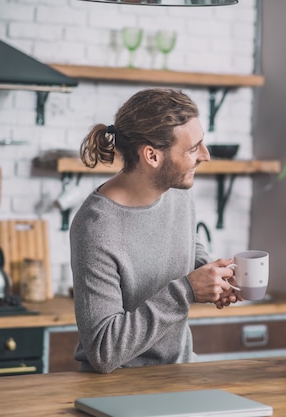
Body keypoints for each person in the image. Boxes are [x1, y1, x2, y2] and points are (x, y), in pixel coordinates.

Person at [70, 88, 241, 374]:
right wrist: (186, 290)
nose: (205, 155)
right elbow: (103, 350)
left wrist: (212, 275)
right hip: (117, 386)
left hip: (177, 374)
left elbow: (188, 244)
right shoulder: (96, 226)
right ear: (151, 155)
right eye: (192, 148)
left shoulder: (177, 192)